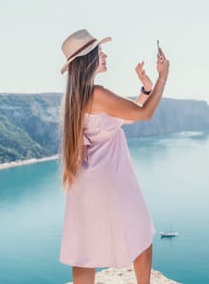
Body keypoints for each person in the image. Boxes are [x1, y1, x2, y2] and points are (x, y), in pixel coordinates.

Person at [58, 29, 169, 284]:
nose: (105, 55)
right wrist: (163, 77)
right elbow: (144, 114)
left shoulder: (77, 97)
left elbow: (122, 117)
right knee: (140, 234)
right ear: (89, 60)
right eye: (100, 51)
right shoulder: (97, 94)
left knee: (84, 250)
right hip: (112, 179)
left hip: (84, 181)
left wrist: (145, 87)